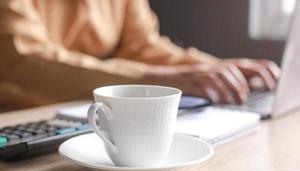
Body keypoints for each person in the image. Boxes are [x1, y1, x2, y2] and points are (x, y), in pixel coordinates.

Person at [0, 0, 280, 110]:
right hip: (18, 124)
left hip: (89, 116)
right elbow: (23, 60)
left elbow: (143, 47)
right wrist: (161, 80)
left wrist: (216, 68)